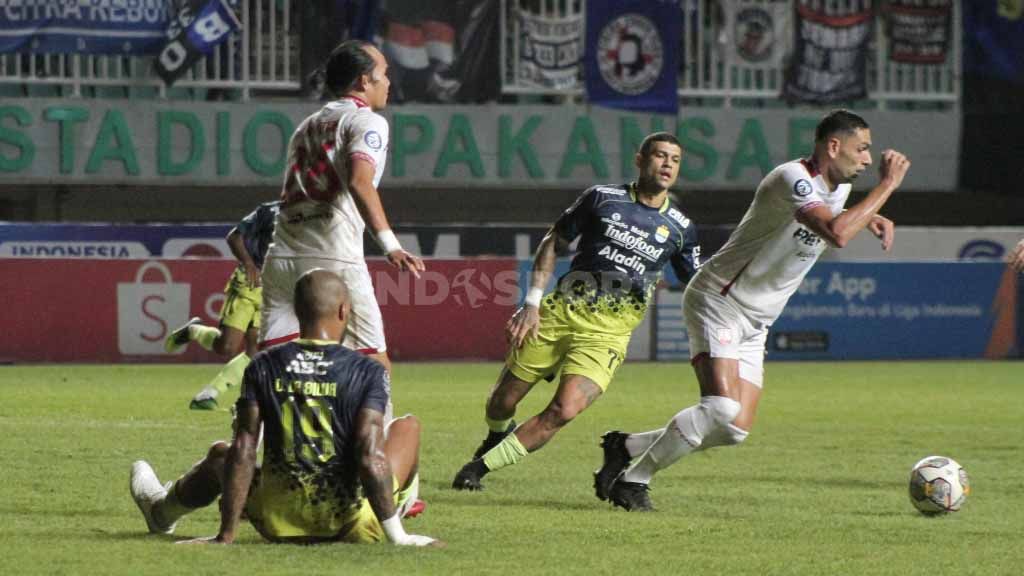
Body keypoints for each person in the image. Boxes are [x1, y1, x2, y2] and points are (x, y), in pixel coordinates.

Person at [593, 110, 909, 511]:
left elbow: (833, 219)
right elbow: (836, 233)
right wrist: (887, 185)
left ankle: (625, 445)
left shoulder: (837, 188)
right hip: (720, 300)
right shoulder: (792, 177)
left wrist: (870, 217)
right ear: (834, 146)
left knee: (735, 429)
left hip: (757, 320)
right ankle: (633, 481)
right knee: (720, 408)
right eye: (862, 149)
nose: (867, 159)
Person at [451, 132, 702, 491]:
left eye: (674, 160)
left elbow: (697, 283)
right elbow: (554, 240)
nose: (667, 165)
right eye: (660, 156)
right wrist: (532, 302)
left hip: (607, 336)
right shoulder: (602, 197)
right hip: (558, 315)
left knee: (564, 410)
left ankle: (478, 468)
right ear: (640, 159)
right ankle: (496, 436)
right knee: (501, 402)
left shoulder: (680, 228)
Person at [130, 269, 440, 546]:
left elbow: (245, 448)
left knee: (221, 455)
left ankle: (161, 512)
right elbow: (369, 455)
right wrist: (399, 538)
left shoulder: (263, 365)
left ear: (295, 311)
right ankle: (396, 505)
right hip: (351, 523)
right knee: (406, 427)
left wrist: (226, 535)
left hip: (276, 520)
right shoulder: (368, 370)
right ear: (345, 310)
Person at [260, 39, 425, 377]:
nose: (389, 81)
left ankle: (260, 431)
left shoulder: (306, 125)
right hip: (333, 254)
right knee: (372, 364)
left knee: (274, 367)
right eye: (384, 73)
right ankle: (374, 431)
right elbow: (359, 182)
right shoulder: (367, 121)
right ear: (364, 81)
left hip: (283, 254)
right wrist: (391, 245)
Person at [164, 201, 281, 410]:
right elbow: (234, 236)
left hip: (275, 290)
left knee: (256, 351)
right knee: (226, 346)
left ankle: (209, 394)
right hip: (248, 284)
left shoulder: (309, 215)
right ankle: (194, 330)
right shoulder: (268, 211)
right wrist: (248, 263)